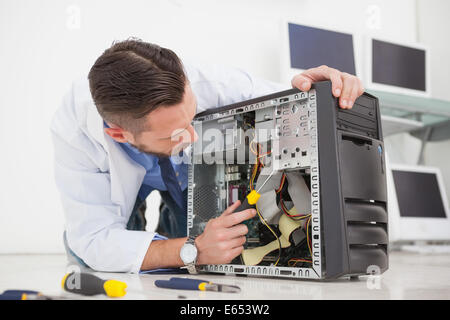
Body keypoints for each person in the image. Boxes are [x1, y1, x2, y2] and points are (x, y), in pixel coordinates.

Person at [51, 39, 364, 273]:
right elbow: (94, 239)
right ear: (120, 134)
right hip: (113, 189)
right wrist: (193, 249)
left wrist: (318, 88)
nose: (193, 138)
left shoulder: (210, 84)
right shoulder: (74, 132)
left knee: (189, 254)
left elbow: (291, 100)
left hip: (181, 177)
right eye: (176, 133)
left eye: (192, 118)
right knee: (88, 260)